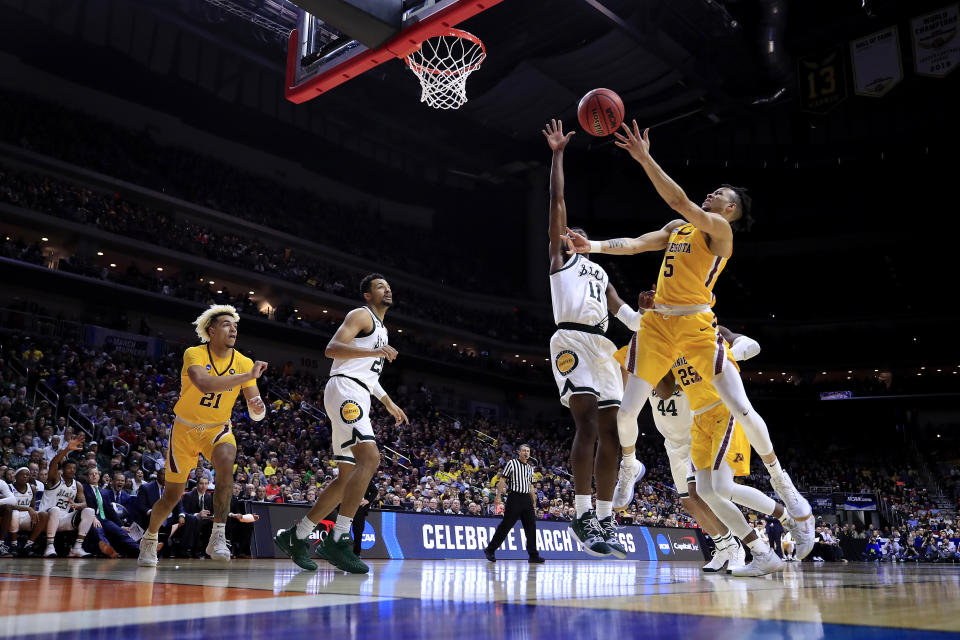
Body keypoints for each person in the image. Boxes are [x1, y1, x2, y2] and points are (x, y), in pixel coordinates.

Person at [564, 121, 813, 572]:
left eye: (721, 194)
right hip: (659, 326)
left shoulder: (718, 230)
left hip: (697, 327)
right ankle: (629, 469)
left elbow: (678, 198)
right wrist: (594, 245)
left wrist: (643, 157)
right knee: (623, 413)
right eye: (713, 192)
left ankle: (783, 484)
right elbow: (639, 244)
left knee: (739, 408)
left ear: (732, 208)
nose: (712, 195)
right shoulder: (678, 228)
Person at [541, 119, 649, 559]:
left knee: (610, 431)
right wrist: (558, 153)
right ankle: (581, 511)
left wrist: (656, 320)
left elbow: (623, 313)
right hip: (570, 341)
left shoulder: (601, 270)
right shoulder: (558, 259)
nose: (568, 236)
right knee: (586, 423)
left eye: (574, 235)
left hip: (603, 347)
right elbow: (557, 200)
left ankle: (604, 517)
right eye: (566, 234)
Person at [274, 274, 408, 574]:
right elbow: (332, 349)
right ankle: (339, 537)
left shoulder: (383, 330)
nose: (387, 288)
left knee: (346, 477)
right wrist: (374, 351)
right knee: (371, 457)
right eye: (380, 286)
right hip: (345, 389)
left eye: (389, 285)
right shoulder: (361, 315)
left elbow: (369, 375)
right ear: (367, 295)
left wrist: (388, 403)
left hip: (357, 391)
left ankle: (296, 536)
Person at [137, 304, 268, 567]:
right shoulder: (194, 353)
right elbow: (204, 383)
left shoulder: (242, 362)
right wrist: (246, 376)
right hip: (185, 429)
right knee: (172, 496)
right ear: (211, 330)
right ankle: (150, 538)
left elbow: (256, 407)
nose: (233, 329)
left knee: (226, 464)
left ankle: (218, 536)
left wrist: (258, 407)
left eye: (235, 326)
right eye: (227, 324)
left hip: (217, 428)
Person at [484, 444, 545, 563]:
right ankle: (490, 549)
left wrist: (534, 501)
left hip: (526, 498)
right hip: (514, 497)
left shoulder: (529, 468)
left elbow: (531, 486)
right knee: (506, 525)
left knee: (531, 527)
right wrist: (498, 496)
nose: (526, 453)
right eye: (524, 451)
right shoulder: (512, 463)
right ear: (519, 452)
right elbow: (503, 480)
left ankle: (533, 555)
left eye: (528, 451)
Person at [40, 436, 98, 558]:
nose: (72, 470)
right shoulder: (55, 479)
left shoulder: (77, 485)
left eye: (74, 468)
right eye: (69, 468)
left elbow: (84, 503)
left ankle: (77, 547)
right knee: (55, 509)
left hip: (64, 519)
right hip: (46, 517)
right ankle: (49, 547)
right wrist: (67, 449)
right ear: (63, 469)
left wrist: (77, 505)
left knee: (89, 511)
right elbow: (53, 463)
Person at [0, 467, 50, 556]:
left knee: (44, 515)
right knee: (15, 513)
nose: (25, 476)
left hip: (27, 517)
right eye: (22, 474)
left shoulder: (32, 488)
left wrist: (33, 513)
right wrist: (27, 509)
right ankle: (14, 545)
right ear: (15, 476)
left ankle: (28, 545)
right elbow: (10, 505)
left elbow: (33, 506)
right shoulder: (9, 487)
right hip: (12, 517)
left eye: (27, 475)